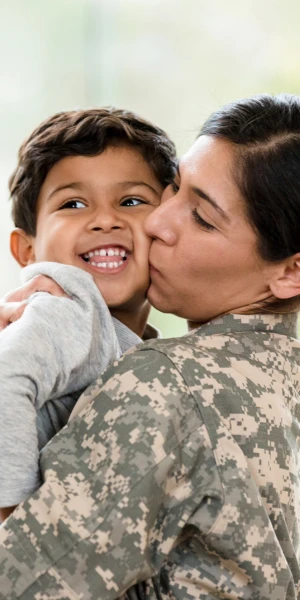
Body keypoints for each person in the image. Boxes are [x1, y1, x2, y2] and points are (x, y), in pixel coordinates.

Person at [0, 93, 300, 600]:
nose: (157, 224)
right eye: (176, 189)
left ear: (291, 271)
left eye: (202, 218)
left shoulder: (160, 384)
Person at [0, 107, 177, 521]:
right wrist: (11, 517)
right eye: (73, 203)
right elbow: (4, 378)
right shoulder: (66, 307)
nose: (105, 220)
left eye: (131, 200)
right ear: (27, 251)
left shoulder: (128, 342)